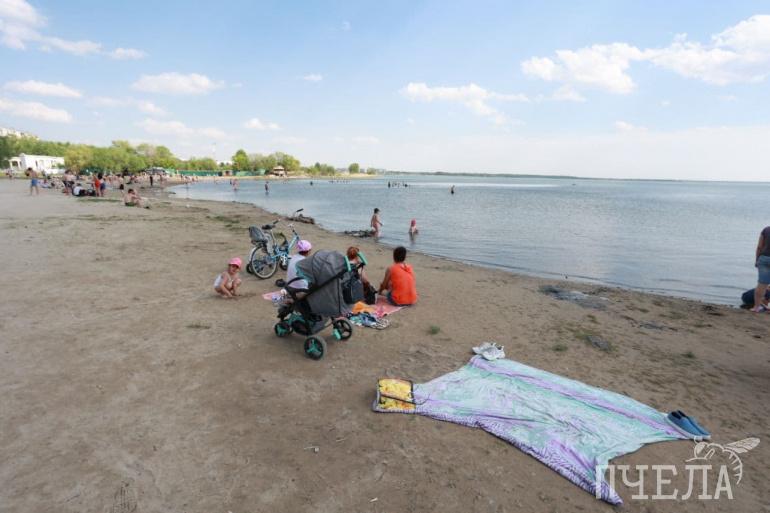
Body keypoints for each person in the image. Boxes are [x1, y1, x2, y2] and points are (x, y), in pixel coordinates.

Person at [752, 226, 770, 312]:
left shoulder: (766, 230)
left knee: (761, 284)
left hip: (763, 258)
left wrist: (757, 260)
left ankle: (756, 307)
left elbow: (759, 247)